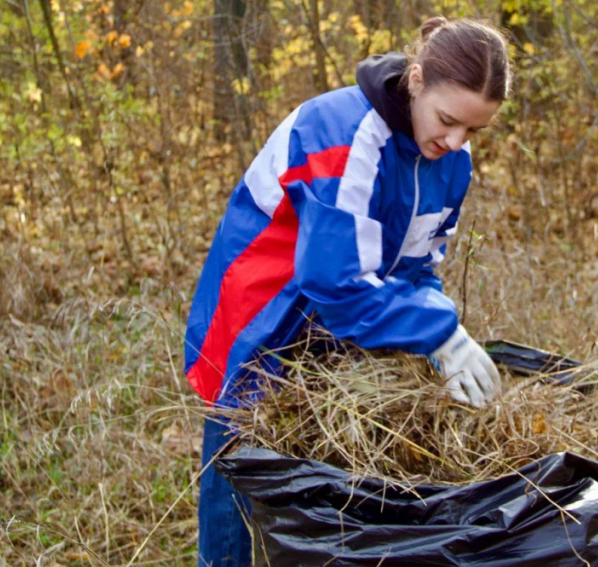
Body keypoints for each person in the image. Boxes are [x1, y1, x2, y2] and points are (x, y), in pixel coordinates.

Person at [185, 16, 512, 567]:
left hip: (343, 314)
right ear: (415, 80)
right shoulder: (344, 134)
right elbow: (333, 280)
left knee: (327, 463)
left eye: (473, 132)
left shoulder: (449, 161)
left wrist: (439, 332)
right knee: (241, 458)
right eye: (449, 120)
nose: (456, 142)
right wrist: (440, 334)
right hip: (263, 307)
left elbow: (417, 268)